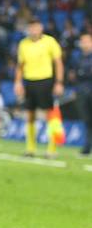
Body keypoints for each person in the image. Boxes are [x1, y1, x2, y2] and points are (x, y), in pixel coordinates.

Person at [15, 18, 64, 158]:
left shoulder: (50, 41)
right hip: (29, 81)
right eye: (31, 27)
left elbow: (58, 62)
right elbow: (20, 65)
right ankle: (30, 149)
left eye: (35, 27)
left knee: (51, 114)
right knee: (30, 115)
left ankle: (52, 149)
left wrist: (59, 82)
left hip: (46, 81)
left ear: (41, 28)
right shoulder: (23, 44)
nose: (33, 30)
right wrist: (17, 82)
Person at [73, 33, 92, 156]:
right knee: (87, 121)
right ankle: (87, 147)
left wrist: (82, 74)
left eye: (87, 41)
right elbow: (75, 75)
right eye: (82, 41)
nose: (84, 44)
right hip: (82, 92)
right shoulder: (79, 57)